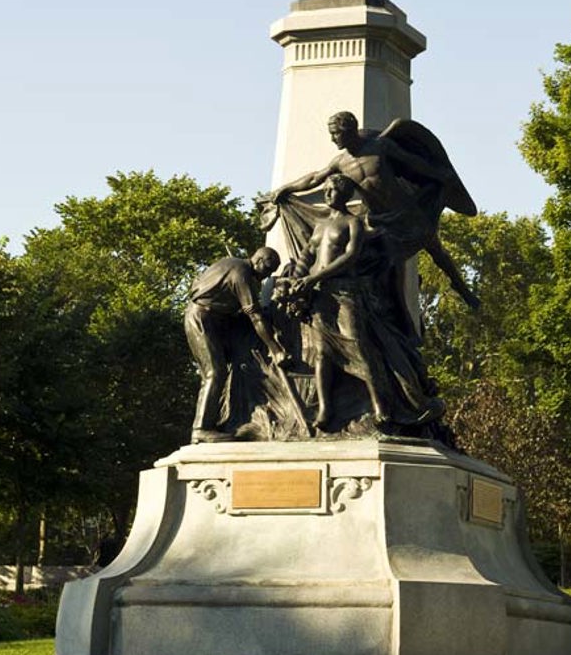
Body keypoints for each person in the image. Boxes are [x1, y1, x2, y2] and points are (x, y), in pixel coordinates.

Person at [272, 112, 480, 312]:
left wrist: (438, 175)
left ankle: (460, 286)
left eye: (335, 133)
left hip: (404, 210)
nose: (333, 139)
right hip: (377, 219)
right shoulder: (340, 162)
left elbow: (412, 162)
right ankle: (398, 313)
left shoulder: (380, 146)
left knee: (434, 246)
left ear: (348, 130)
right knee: (390, 264)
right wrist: (286, 189)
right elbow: (315, 178)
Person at [286, 174, 391, 430]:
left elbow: (351, 256)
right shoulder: (320, 226)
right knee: (322, 353)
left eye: (333, 189)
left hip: (344, 291)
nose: (328, 193)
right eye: (326, 189)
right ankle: (325, 409)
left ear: (345, 194)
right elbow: (306, 256)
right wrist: (296, 280)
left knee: (357, 345)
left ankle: (380, 405)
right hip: (319, 295)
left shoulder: (353, 222)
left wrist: (314, 277)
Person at [184, 247, 285, 441]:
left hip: (215, 320)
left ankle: (221, 420)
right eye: (268, 269)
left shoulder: (231, 264)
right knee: (214, 373)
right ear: (259, 261)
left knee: (226, 368)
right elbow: (254, 316)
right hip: (203, 319)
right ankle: (201, 429)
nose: (267, 276)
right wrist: (276, 349)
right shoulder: (242, 274)